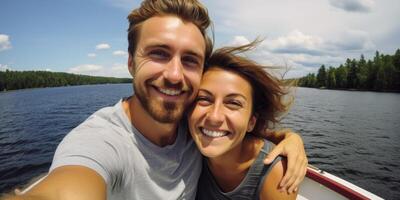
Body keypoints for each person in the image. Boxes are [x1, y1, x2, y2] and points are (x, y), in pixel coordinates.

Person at [3, 0, 307, 199]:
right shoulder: (101, 142)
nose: (175, 75)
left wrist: (291, 137)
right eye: (159, 54)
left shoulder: (193, 125)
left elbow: (236, 129)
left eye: (190, 60)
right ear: (131, 63)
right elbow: (69, 186)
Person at [189, 42, 298, 199]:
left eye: (233, 103)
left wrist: (293, 138)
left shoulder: (274, 173)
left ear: (251, 122)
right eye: (204, 99)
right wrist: (290, 137)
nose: (214, 117)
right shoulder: (187, 140)